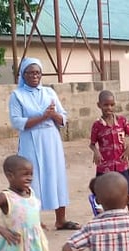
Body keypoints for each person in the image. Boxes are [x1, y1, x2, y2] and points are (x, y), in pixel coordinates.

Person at [9, 57, 80, 231]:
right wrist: (43, 116)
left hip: (51, 139)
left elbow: (63, 117)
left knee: (56, 176)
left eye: (38, 72)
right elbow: (18, 122)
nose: (34, 76)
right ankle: (34, 220)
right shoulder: (17, 95)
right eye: (30, 72)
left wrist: (53, 115)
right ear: (23, 75)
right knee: (32, 179)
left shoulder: (49, 92)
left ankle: (61, 220)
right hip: (30, 140)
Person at [90, 90, 129, 212]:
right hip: (105, 166)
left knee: (127, 191)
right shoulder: (97, 126)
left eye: (111, 105)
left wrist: (128, 149)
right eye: (105, 105)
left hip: (121, 164)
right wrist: (96, 152)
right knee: (103, 193)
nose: (109, 108)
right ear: (99, 105)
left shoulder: (122, 121)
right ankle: (103, 217)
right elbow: (92, 144)